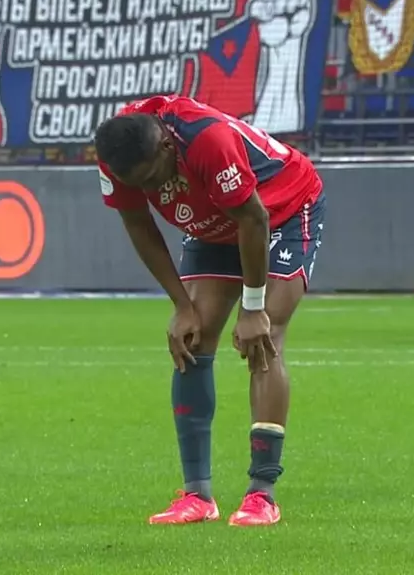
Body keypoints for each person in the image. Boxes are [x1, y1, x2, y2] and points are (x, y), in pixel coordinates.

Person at [94, 95, 325, 527]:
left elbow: (253, 219)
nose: (149, 191)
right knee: (192, 338)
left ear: (166, 145)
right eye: (138, 184)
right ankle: (197, 496)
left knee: (265, 338)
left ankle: (261, 493)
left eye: (152, 179)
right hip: (213, 219)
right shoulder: (116, 153)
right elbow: (138, 224)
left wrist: (253, 308)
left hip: (281, 209)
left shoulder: (207, 140)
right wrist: (181, 306)